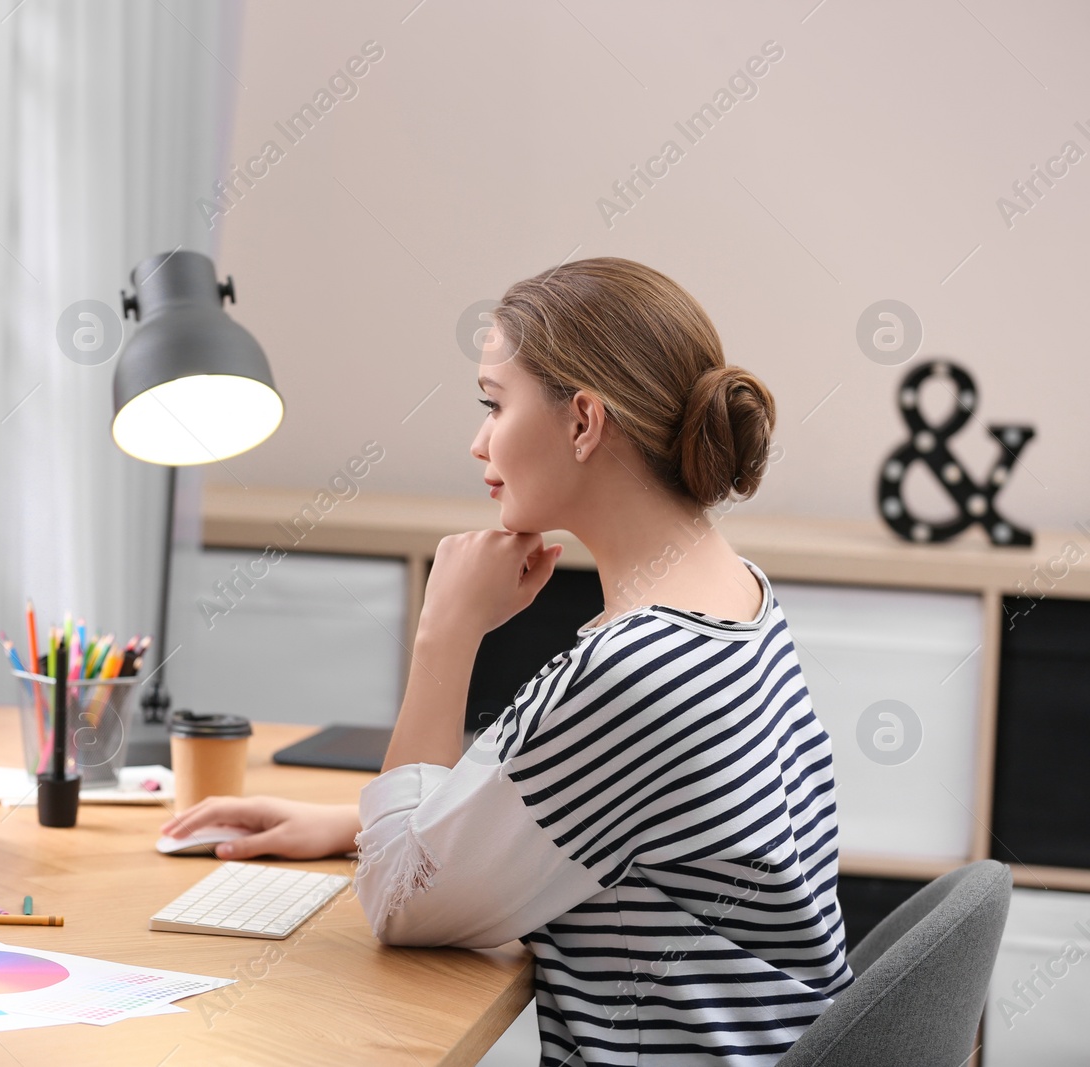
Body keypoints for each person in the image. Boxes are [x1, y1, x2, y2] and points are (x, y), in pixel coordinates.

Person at [160, 257, 853, 1065]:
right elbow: (616, 818)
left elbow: (395, 900)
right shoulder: (738, 596)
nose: (478, 440)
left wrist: (445, 632)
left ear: (583, 422)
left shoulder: (636, 670)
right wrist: (356, 824)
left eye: (494, 403)